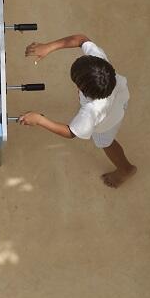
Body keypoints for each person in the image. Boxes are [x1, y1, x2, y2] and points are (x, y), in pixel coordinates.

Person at [16, 33, 136, 189]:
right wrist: (48, 47)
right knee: (109, 115)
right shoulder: (101, 62)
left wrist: (40, 120)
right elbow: (81, 39)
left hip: (108, 121)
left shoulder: (90, 112)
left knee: (105, 142)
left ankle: (125, 169)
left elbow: (71, 132)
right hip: (121, 96)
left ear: (80, 89)